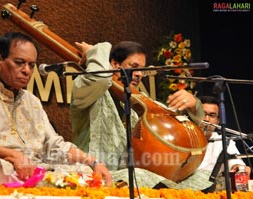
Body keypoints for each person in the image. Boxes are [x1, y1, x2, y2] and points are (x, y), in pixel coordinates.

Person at [0, 32, 112, 186]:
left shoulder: (32, 101)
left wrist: (93, 161)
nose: (27, 70)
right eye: (19, 62)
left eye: (31, 65)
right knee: (3, 169)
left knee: (87, 173)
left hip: (36, 169)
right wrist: (14, 156)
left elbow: (54, 144)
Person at [70, 41, 208, 189]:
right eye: (134, 67)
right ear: (115, 65)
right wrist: (97, 51)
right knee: (142, 177)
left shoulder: (141, 101)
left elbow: (183, 124)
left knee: (205, 176)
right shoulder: (89, 93)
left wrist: (194, 106)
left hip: (130, 179)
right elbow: (100, 79)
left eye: (141, 69)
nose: (139, 74)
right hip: (97, 175)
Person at [198, 95, 250, 190]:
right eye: (202, 113)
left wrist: (238, 167)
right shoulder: (179, 138)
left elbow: (235, 163)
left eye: (212, 115)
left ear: (218, 121)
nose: (206, 119)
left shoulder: (224, 142)